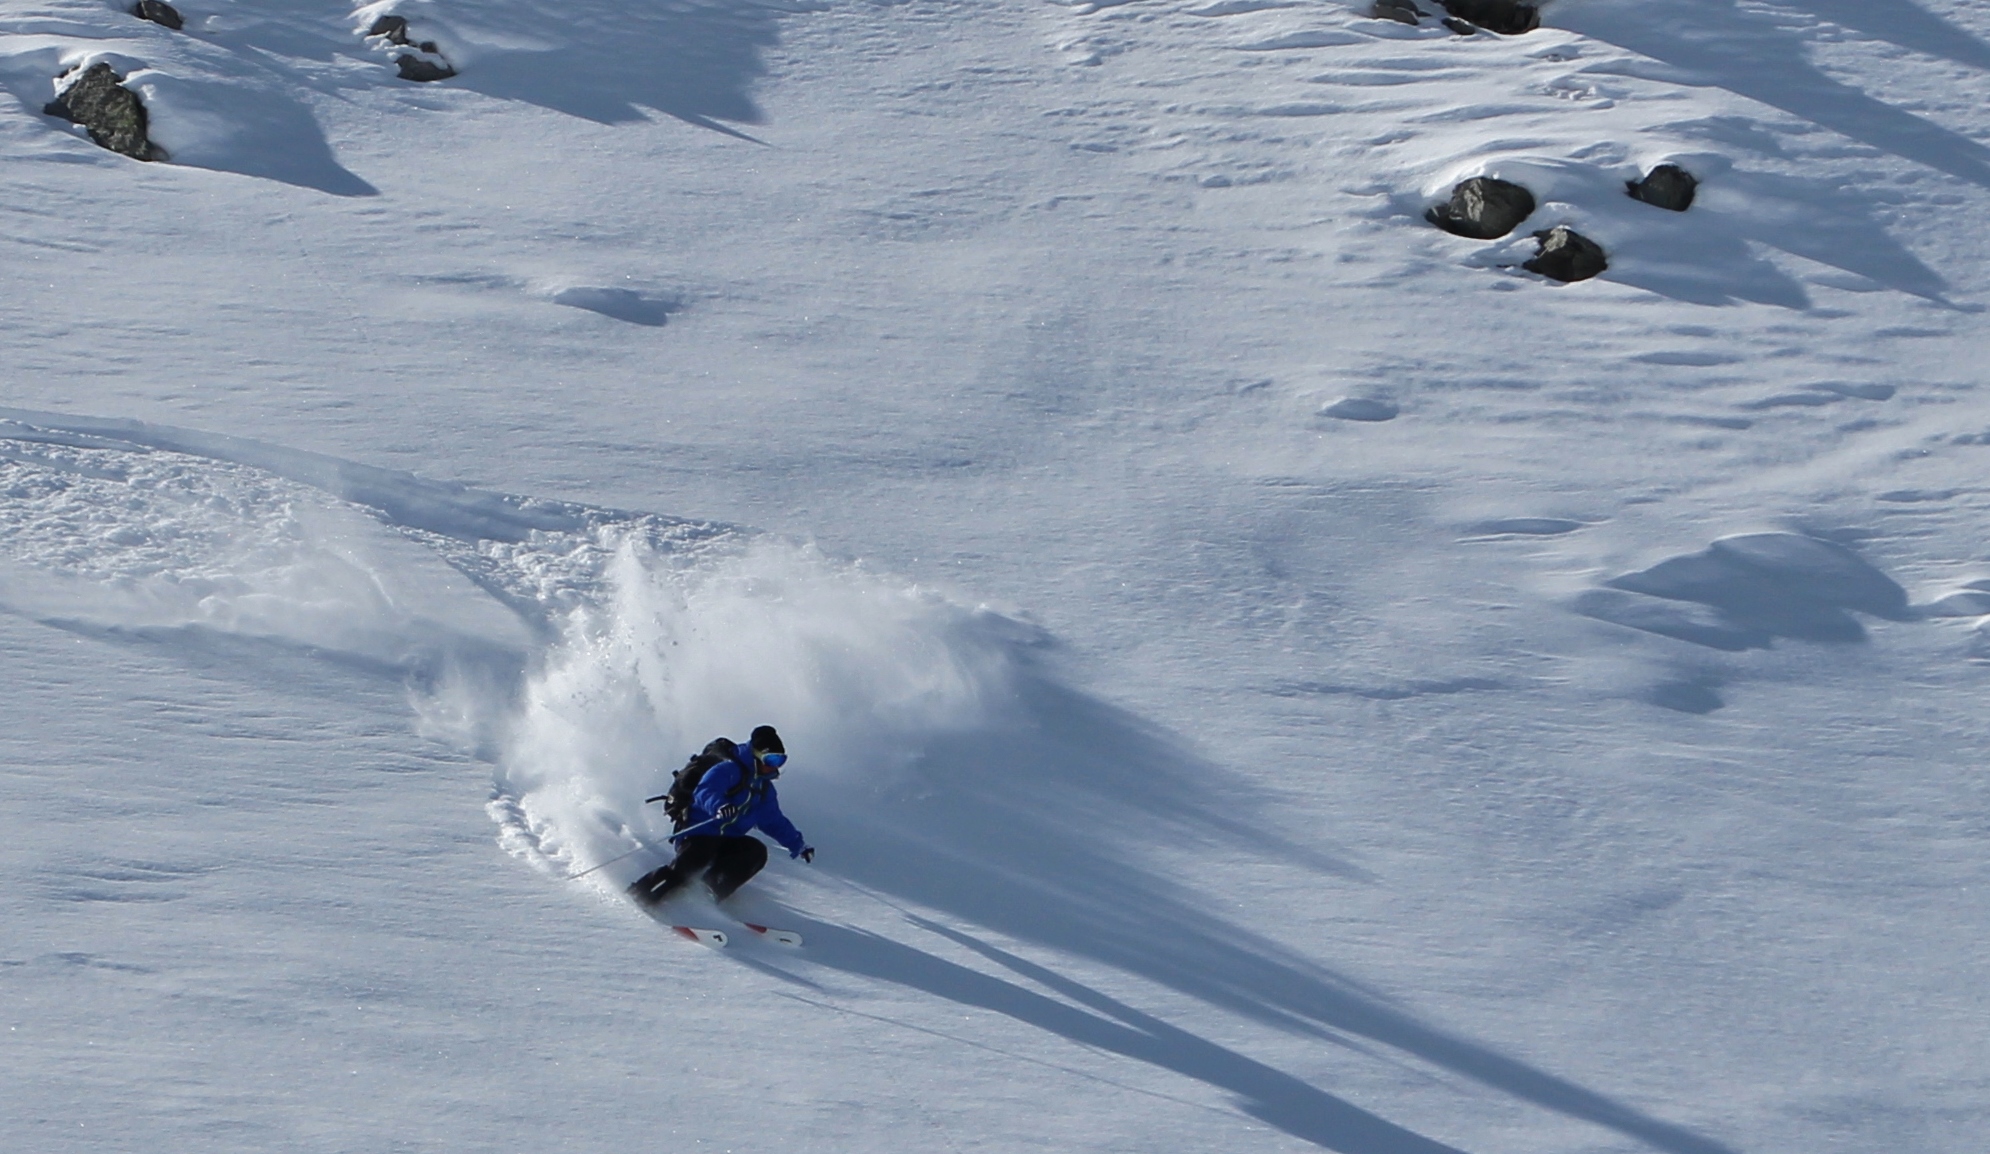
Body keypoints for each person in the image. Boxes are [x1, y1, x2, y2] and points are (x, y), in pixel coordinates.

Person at [628, 725, 814, 908]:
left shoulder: (764, 789)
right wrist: (720, 806)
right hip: (698, 832)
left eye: (780, 760)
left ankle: (706, 894)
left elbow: (774, 821)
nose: (774, 766)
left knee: (755, 852)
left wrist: (797, 844)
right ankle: (640, 896)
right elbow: (705, 791)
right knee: (695, 860)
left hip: (729, 840)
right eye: (771, 759)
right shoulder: (728, 770)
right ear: (756, 755)